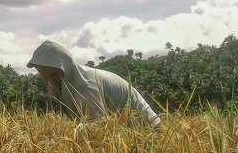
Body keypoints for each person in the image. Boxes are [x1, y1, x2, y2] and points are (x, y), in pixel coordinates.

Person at [28, 39, 161, 128]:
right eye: (45, 77)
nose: (51, 81)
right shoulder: (58, 84)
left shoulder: (86, 86)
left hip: (146, 127)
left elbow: (99, 127)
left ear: (66, 66)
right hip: (123, 130)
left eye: (54, 74)